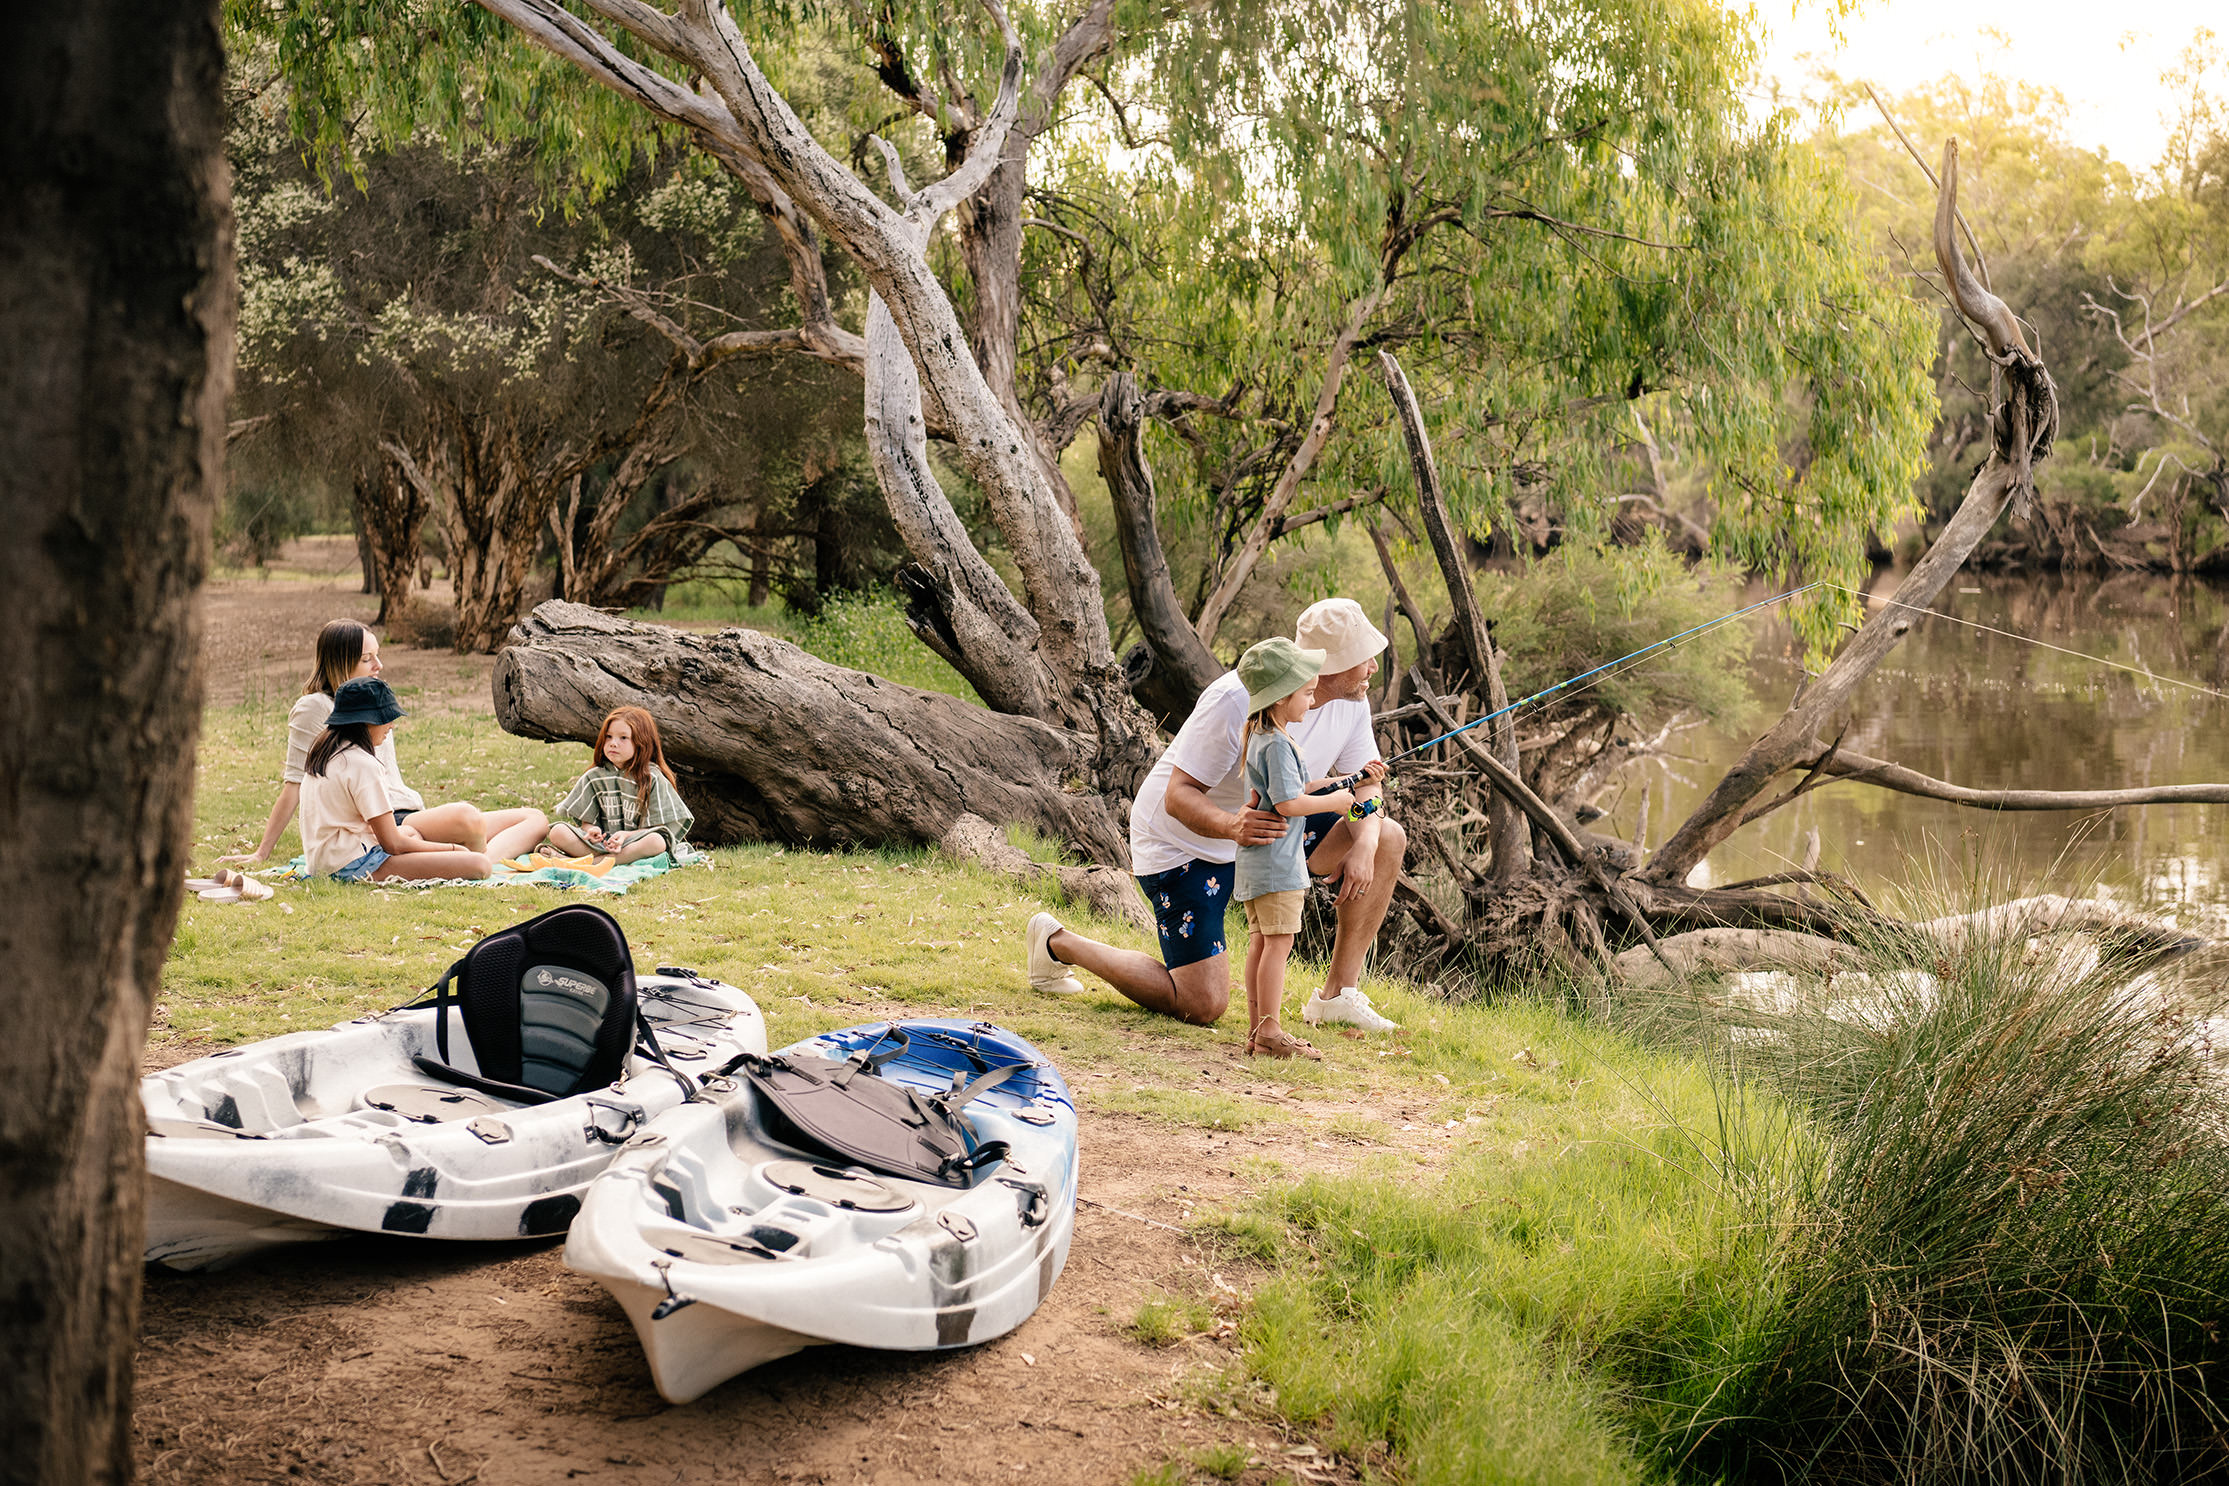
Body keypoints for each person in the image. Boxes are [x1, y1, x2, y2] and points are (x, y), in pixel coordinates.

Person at [1023, 597, 1406, 1030]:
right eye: (1364, 657)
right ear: (1334, 663)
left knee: (1386, 837)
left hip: (1268, 827)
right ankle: (1057, 943)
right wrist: (1231, 825)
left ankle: (1338, 996)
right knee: (1200, 1004)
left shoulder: (1352, 702)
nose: (1373, 667)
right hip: (1182, 842)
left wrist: (1366, 844)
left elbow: (1367, 782)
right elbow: (1177, 796)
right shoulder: (1235, 699)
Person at [224, 619, 547, 867]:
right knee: (468, 818)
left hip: (413, 814)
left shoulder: (375, 704)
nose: (379, 666)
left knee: (535, 818)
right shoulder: (315, 708)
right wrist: (261, 852)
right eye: (368, 659)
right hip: (387, 821)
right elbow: (296, 783)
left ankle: (477, 861)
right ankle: (471, 860)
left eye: (377, 656)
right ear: (341, 662)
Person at [1233, 639, 1367, 1059]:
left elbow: (1295, 787)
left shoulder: (1263, 737)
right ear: (1280, 696)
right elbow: (1290, 804)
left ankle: (1258, 1030)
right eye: (1307, 693)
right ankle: (1270, 1031)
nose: (1312, 701)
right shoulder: (1277, 743)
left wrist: (1346, 781)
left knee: (1261, 943)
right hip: (1278, 864)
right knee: (1278, 944)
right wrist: (1338, 803)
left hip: (1258, 863)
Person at [300, 680, 512, 882]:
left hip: (325, 860)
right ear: (366, 721)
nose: (391, 725)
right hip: (351, 865)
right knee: (479, 864)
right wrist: (453, 849)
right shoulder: (362, 764)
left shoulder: (326, 751)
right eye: (387, 718)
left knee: (411, 832)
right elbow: (393, 844)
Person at [536, 706, 694, 867]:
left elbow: (657, 829)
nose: (613, 743)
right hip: (600, 846)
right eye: (609, 737)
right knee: (557, 832)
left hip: (634, 843)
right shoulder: (594, 776)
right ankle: (604, 861)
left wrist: (626, 836)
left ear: (642, 742)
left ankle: (584, 863)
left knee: (656, 842)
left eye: (623, 738)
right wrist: (592, 831)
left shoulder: (652, 777)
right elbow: (586, 823)